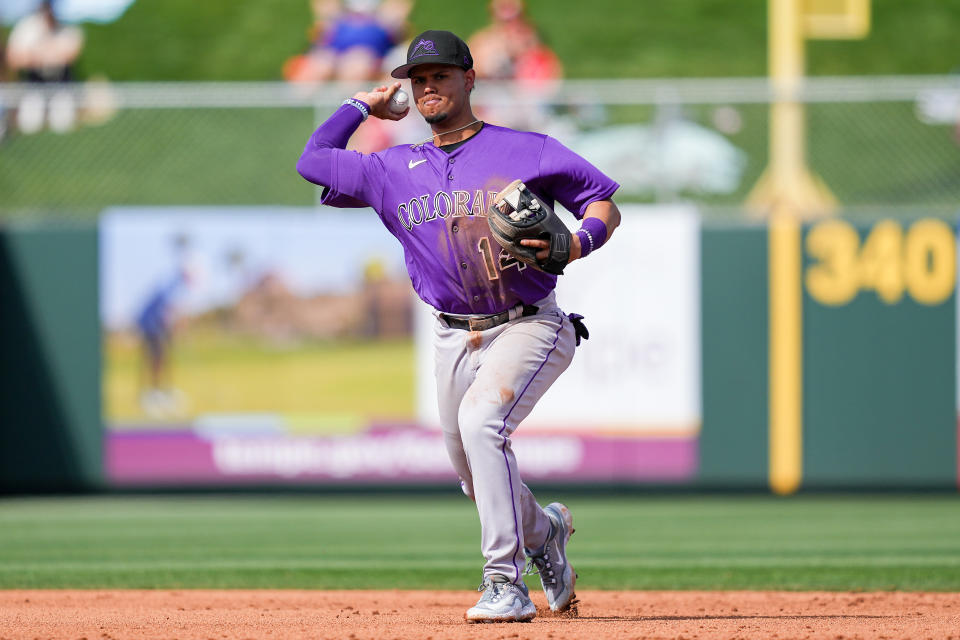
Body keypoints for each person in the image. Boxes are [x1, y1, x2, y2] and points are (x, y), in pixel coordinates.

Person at [296, 30, 621, 623]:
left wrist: (576, 242)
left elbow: (603, 201)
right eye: (418, 79)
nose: (427, 88)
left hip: (529, 323)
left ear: (469, 79)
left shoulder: (528, 150)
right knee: (474, 473)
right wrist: (362, 105)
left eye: (440, 76)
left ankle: (505, 582)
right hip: (451, 333)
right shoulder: (391, 168)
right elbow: (312, 161)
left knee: (481, 423)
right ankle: (544, 532)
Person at [5, 0, 84, 133]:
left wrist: (42, 53)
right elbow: (14, 58)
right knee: (30, 123)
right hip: (34, 84)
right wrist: (41, 55)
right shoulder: (27, 28)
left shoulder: (66, 27)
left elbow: (69, 55)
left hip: (61, 84)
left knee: (62, 124)